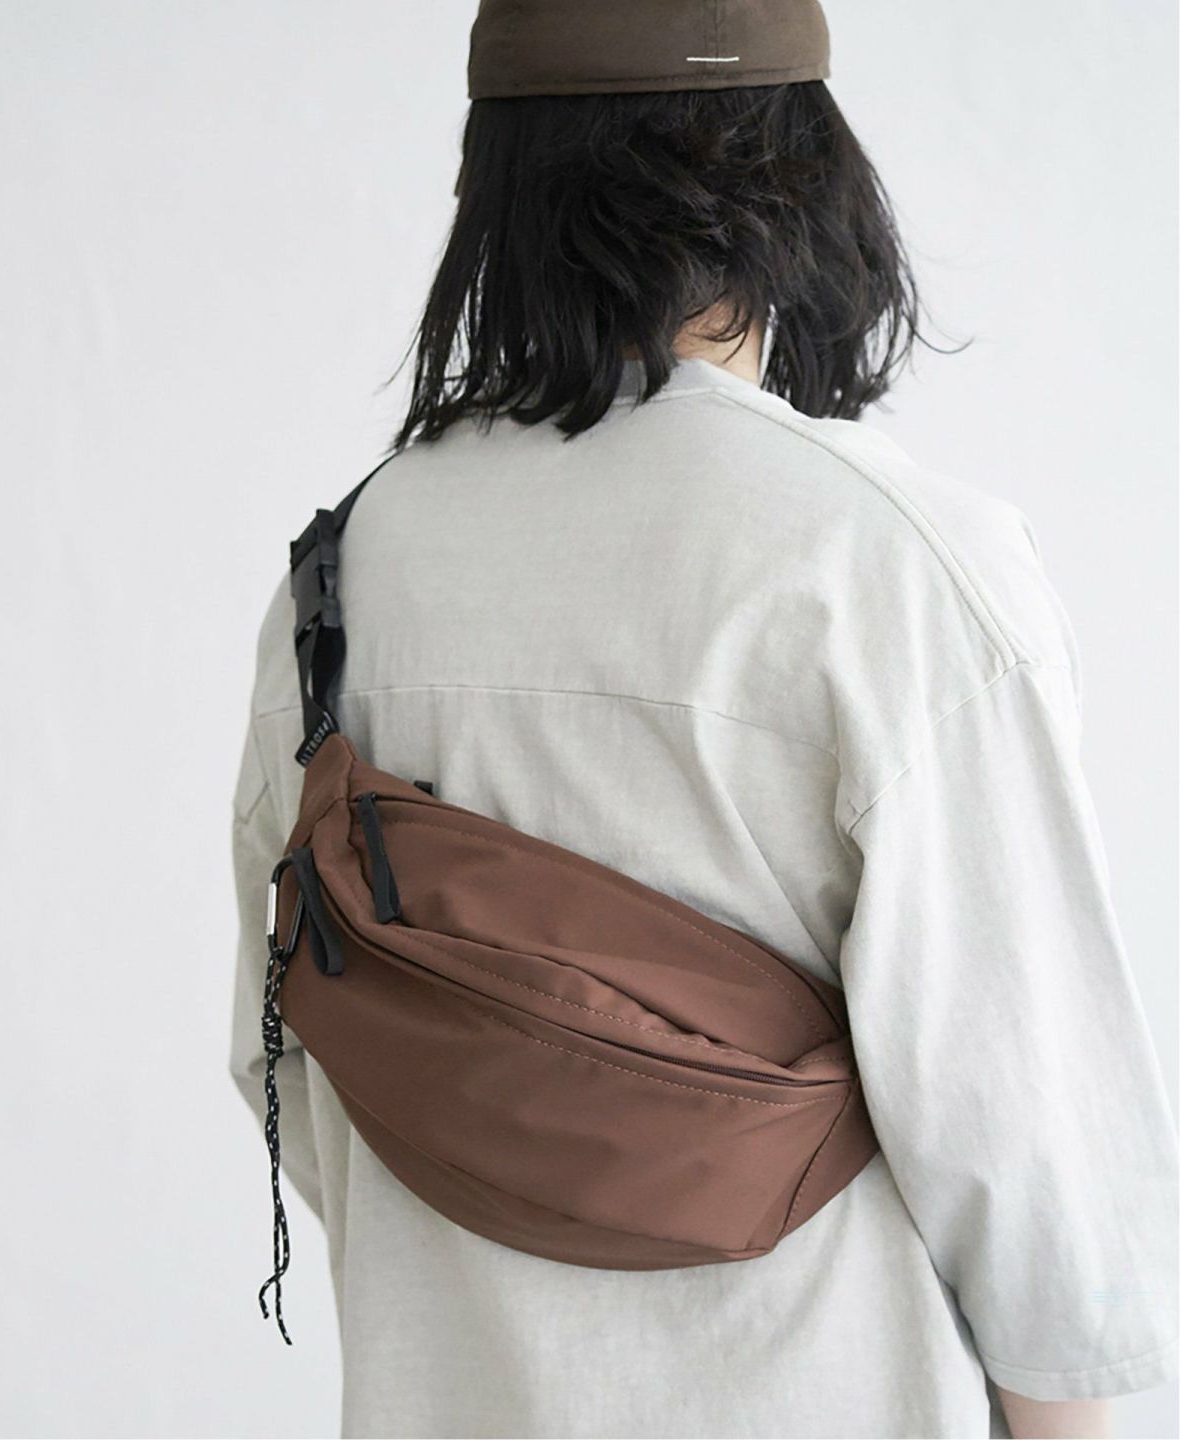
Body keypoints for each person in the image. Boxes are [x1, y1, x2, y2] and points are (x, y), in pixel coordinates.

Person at [230, 3, 1178, 1436]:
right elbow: (1039, 1184)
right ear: (808, 177)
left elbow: (285, 1056)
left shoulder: (342, 575)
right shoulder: (897, 567)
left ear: (498, 187)